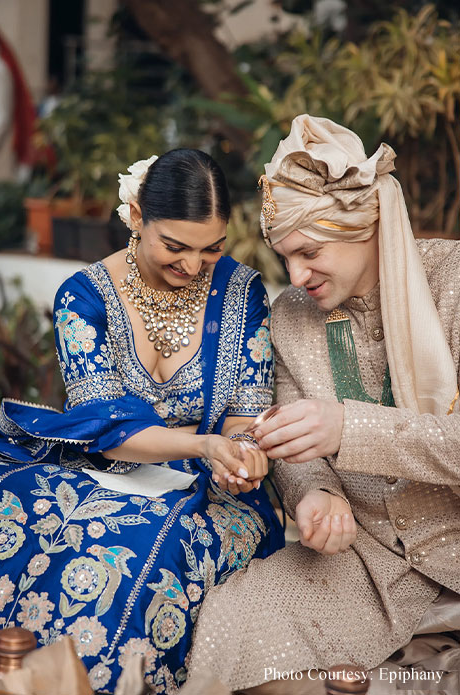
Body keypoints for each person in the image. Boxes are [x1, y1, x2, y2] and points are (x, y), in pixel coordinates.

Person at [187, 115, 460, 694]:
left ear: (364, 225)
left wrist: (348, 429)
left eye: (309, 252)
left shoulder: (452, 285)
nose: (295, 275)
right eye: (284, 256)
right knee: (232, 626)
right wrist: (315, 493)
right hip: (368, 563)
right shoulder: (291, 315)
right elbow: (289, 441)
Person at [0, 149, 284, 693]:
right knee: (24, 506)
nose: (194, 266)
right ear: (135, 216)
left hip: (213, 488)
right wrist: (203, 444)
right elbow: (106, 429)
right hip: (105, 467)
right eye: (174, 246)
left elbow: (246, 420)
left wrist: (243, 456)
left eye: (212, 248)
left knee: (144, 548)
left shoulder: (243, 293)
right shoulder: (83, 297)